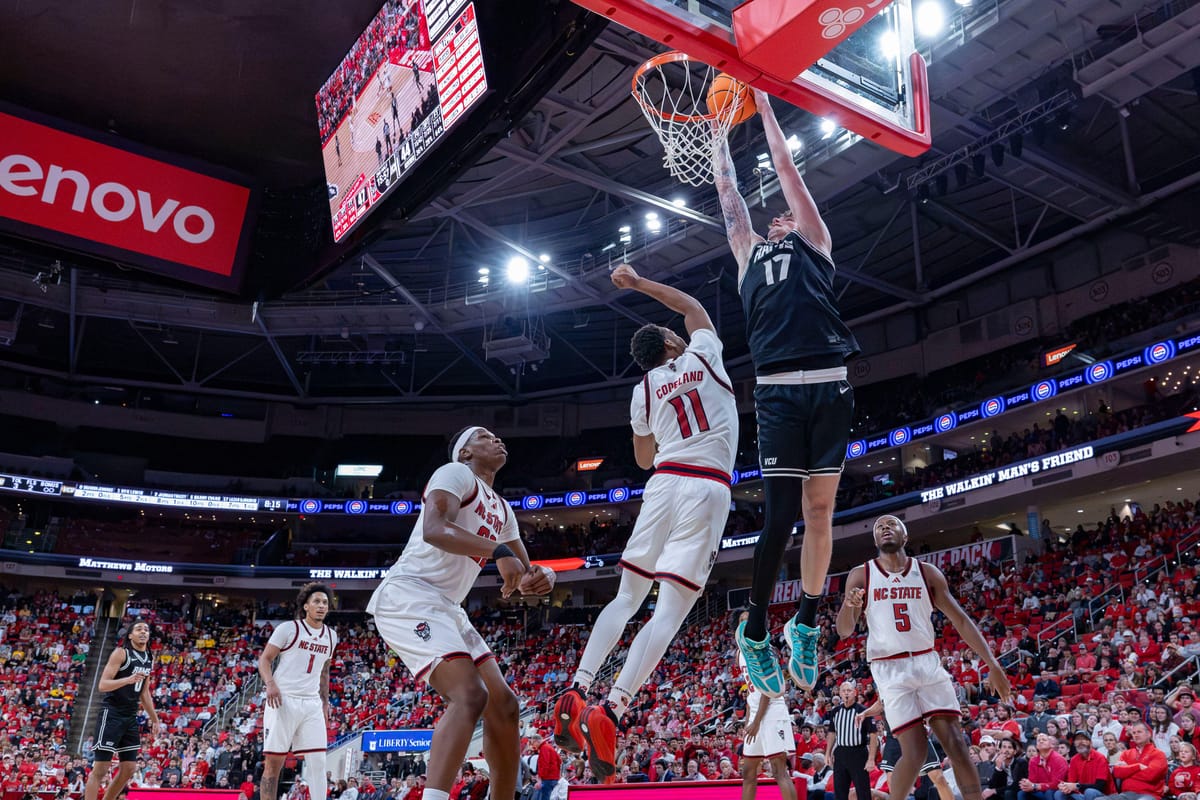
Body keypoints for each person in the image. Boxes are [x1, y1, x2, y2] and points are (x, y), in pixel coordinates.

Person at [556, 264, 738, 780]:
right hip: (704, 487)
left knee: (626, 598)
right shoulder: (702, 352)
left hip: (661, 484)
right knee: (672, 610)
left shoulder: (642, 390)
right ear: (670, 342)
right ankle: (611, 709)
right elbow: (691, 308)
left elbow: (641, 458)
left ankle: (576, 688)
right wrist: (637, 284)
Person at [714, 88, 860, 696]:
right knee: (778, 518)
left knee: (820, 512)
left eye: (789, 215)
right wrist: (715, 132)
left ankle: (804, 621)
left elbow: (784, 169)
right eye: (777, 217)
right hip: (776, 392)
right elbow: (729, 194)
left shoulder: (817, 242)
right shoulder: (748, 254)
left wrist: (765, 104)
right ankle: (754, 630)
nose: (782, 217)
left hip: (829, 386)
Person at [367, 427, 556, 800]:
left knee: (505, 704)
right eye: (485, 436)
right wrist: (499, 551)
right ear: (466, 452)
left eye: (499, 436)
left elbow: (524, 573)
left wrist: (543, 576)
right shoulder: (455, 474)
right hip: (410, 594)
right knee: (471, 695)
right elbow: (435, 529)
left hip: (448, 607)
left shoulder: (503, 509)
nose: (498, 439)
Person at [835, 514, 1011, 800]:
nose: (885, 528)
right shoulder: (861, 575)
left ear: (905, 537)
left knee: (957, 745)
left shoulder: (927, 573)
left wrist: (993, 664)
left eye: (892, 524)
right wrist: (848, 604)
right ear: (875, 540)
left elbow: (961, 620)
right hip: (889, 667)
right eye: (879, 527)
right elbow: (844, 631)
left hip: (926, 661)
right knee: (914, 753)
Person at [258, 583, 338, 800]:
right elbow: (264, 660)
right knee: (274, 764)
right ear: (306, 606)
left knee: (319, 761)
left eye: (324, 602)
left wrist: (324, 703)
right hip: (283, 701)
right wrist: (270, 683)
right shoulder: (288, 629)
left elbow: (324, 672)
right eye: (317, 602)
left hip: (311, 702)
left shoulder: (331, 636)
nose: (321, 606)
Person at [84, 620, 162, 800]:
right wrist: (127, 679)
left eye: (146, 630)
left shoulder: (149, 657)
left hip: (130, 715)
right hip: (112, 713)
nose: (143, 632)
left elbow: (144, 692)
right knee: (101, 768)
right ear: (129, 635)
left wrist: (155, 719)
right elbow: (103, 685)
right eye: (138, 629)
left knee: (129, 768)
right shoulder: (121, 653)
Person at [737, 612, 798, 800]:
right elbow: (751, 689)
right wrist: (748, 720)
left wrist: (755, 722)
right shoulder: (740, 652)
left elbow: (767, 690)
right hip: (755, 711)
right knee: (748, 772)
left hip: (772, 711)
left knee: (779, 770)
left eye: (749, 620)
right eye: (742, 621)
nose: (746, 624)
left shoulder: (764, 648)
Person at [825, 683, 877, 800]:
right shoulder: (835, 711)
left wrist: (871, 758)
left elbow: (873, 734)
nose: (846, 693)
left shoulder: (863, 711)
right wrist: (828, 753)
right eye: (843, 691)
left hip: (859, 752)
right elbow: (832, 733)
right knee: (839, 790)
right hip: (841, 752)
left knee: (862, 791)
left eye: (849, 690)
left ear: (855, 692)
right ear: (840, 694)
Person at [1097, 721, 1166, 800]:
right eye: (1133, 733)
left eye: (1139, 732)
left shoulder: (1158, 754)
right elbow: (1117, 772)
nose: (1136, 735)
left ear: (1148, 734)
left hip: (1148, 795)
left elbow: (1151, 775)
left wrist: (1127, 768)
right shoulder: (1126, 753)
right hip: (1126, 794)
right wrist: (1138, 767)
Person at [1055, 731, 1110, 800]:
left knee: (1089, 792)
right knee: (1059, 793)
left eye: (1083, 739)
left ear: (1090, 742)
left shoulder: (1100, 758)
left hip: (1102, 794)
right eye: (1077, 740)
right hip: (1081, 794)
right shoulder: (1074, 759)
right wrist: (1066, 787)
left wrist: (1077, 786)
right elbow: (1071, 781)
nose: (1080, 742)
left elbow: (1100, 786)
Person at [1020, 734, 1068, 800]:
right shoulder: (1033, 760)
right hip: (1039, 789)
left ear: (1050, 744)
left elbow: (1056, 784)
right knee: (1022, 793)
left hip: (1056, 790)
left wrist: (1035, 786)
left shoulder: (1059, 759)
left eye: (1044, 740)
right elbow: (1032, 781)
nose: (1041, 741)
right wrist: (1026, 784)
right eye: (1038, 740)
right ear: (1037, 746)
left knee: (1049, 793)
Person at [531, 733, 561, 800]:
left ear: (537, 741)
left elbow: (545, 765)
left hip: (547, 778)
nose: (533, 745)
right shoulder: (549, 747)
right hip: (553, 777)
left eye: (533, 743)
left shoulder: (544, 748)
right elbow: (559, 760)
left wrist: (540, 779)